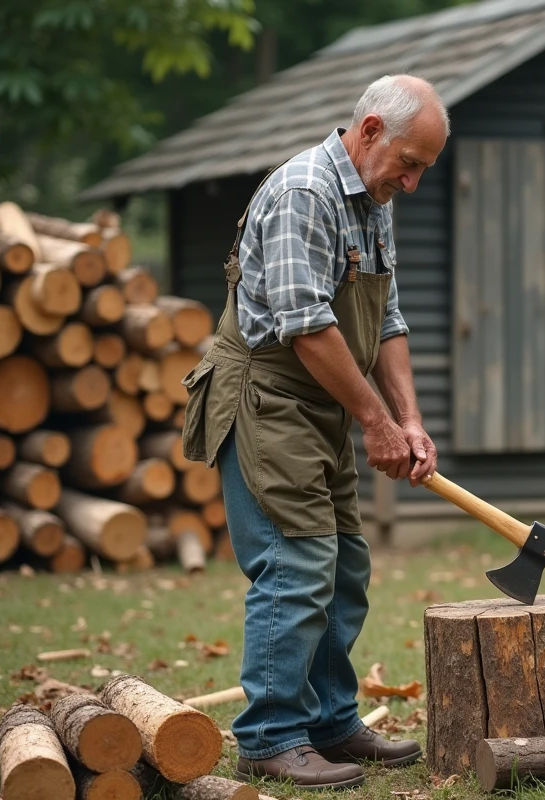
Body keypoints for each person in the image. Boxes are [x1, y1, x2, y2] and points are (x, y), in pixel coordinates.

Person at [180, 74, 449, 790]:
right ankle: (270, 735)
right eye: (409, 162)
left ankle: (330, 722)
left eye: (425, 167)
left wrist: (410, 420)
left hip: (322, 402)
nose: (414, 182)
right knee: (295, 565)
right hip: (269, 397)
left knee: (346, 566)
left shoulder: (373, 196)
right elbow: (307, 326)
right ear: (368, 132)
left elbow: (384, 318)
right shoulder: (305, 194)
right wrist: (375, 422)